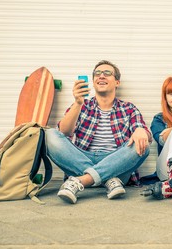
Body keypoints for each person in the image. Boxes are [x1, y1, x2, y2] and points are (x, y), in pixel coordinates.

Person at [46, 60, 152, 204]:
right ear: (94, 80)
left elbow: (143, 133)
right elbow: (64, 132)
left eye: (107, 73)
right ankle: (108, 179)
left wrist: (141, 131)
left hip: (116, 160)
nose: (101, 76)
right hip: (83, 158)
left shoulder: (129, 109)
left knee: (142, 146)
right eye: (97, 73)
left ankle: (81, 181)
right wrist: (77, 103)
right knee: (50, 135)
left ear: (117, 82)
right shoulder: (82, 105)